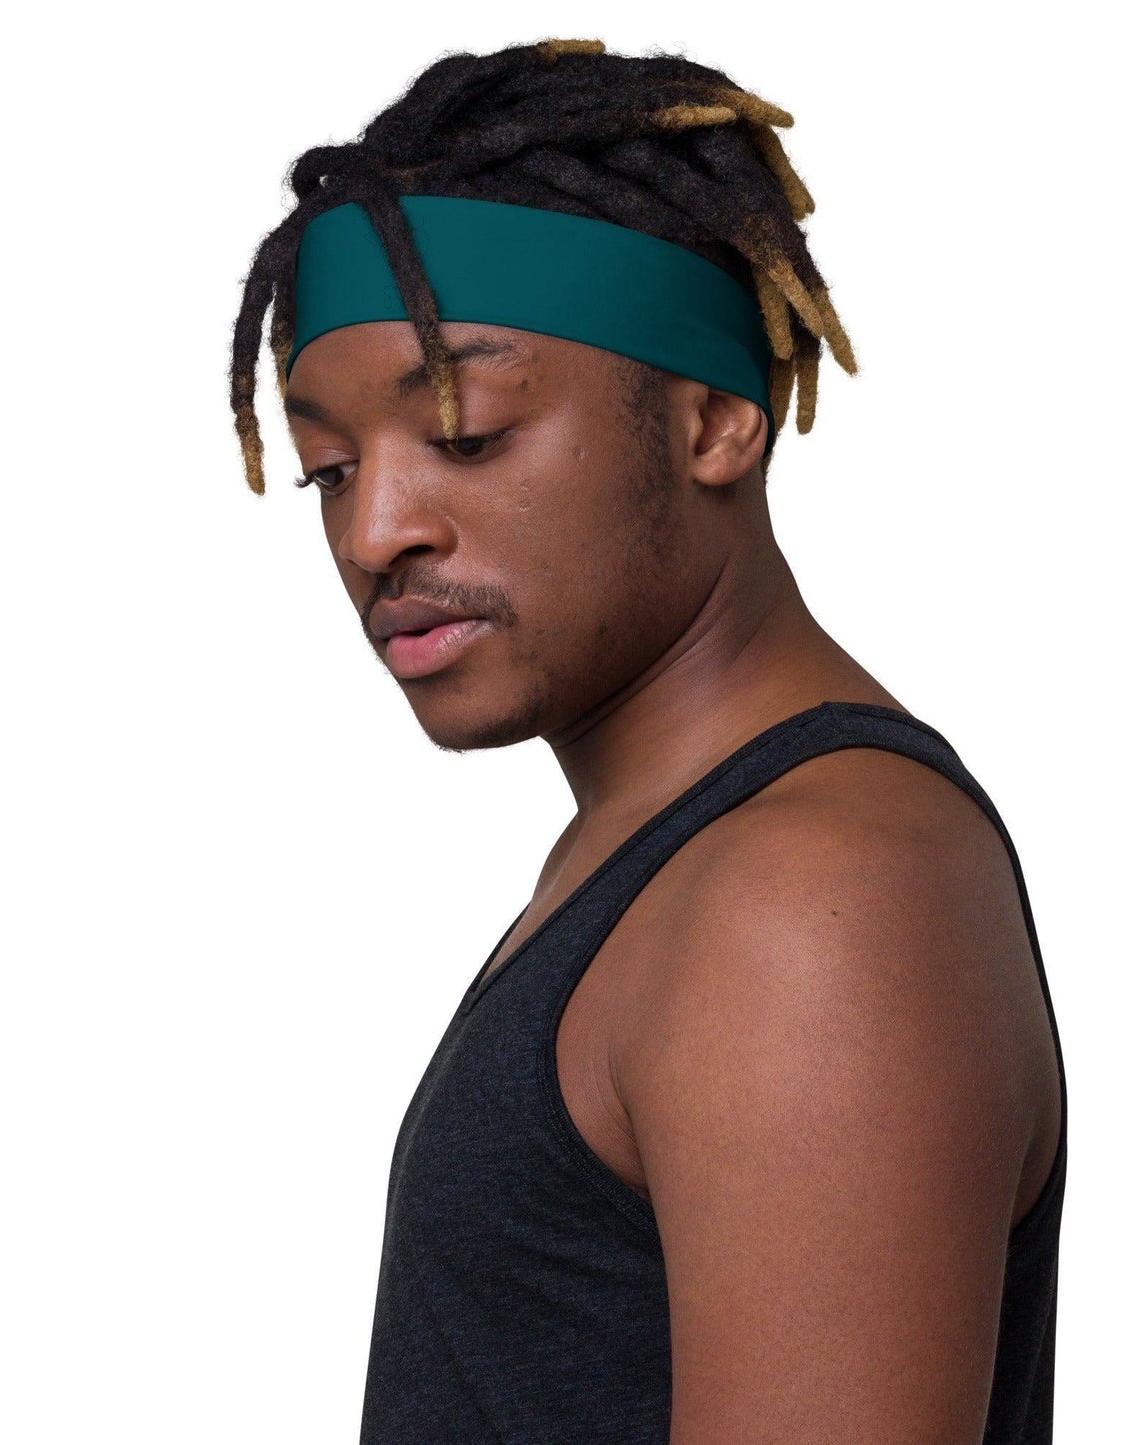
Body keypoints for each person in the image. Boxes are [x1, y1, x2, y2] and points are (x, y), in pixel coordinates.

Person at [229, 36, 1066, 1444]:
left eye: (466, 435)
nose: (374, 532)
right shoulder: (665, 852)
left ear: (716, 421)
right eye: (329, 469)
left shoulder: (805, 900)